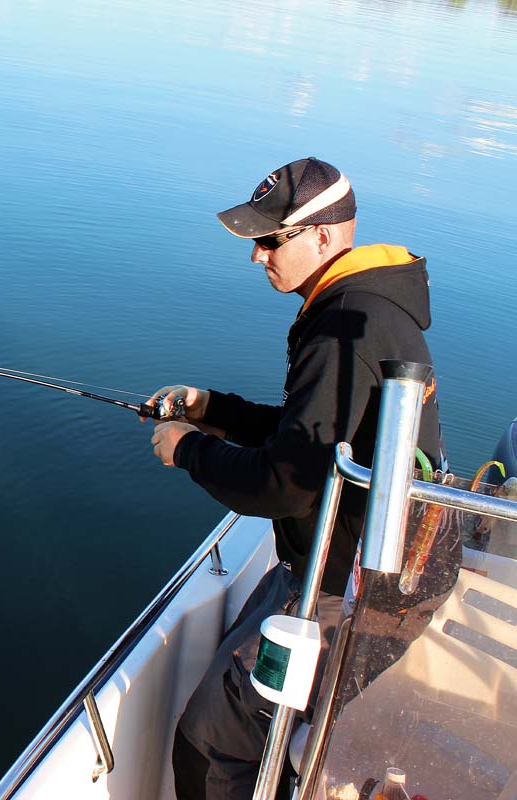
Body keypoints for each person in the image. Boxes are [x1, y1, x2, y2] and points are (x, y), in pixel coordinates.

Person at [146, 157, 445, 800]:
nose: (257, 256)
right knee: (241, 707)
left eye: (270, 239)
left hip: (351, 590)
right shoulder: (364, 305)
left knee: (208, 744)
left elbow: (285, 484)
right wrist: (213, 408)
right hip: (342, 566)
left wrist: (189, 451)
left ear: (326, 236)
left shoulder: (343, 329)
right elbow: (313, 434)